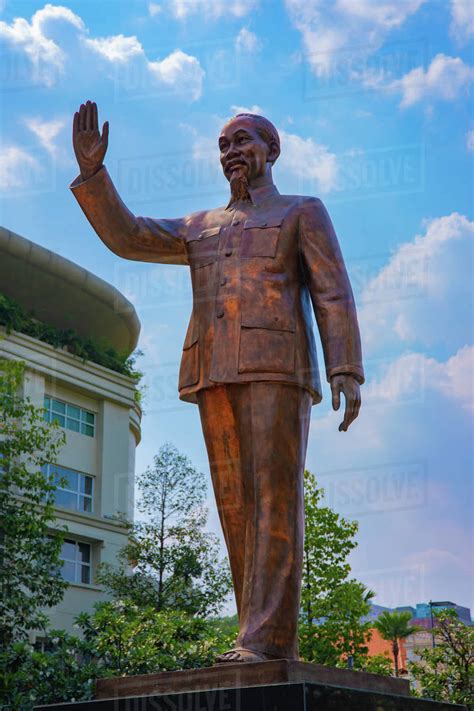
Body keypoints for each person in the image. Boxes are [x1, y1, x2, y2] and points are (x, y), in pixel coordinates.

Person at [71, 101, 364, 663]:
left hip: (277, 366)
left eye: (244, 140)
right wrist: (93, 174)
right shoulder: (198, 226)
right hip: (212, 371)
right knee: (235, 508)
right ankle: (252, 634)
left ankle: (268, 639)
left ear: (271, 150)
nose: (232, 152)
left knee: (274, 502)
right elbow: (128, 235)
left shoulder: (303, 211)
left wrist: (345, 365)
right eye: (224, 145)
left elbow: (331, 289)